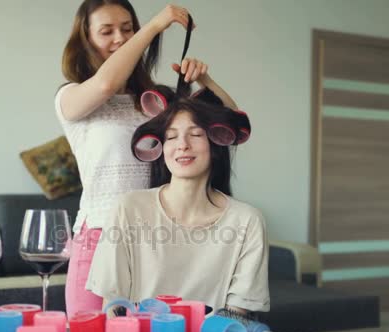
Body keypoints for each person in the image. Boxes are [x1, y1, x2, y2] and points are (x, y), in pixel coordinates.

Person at [56, 0, 239, 317]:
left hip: (157, 239)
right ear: (85, 39)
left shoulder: (159, 100)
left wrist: (205, 81)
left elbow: (233, 124)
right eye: (107, 31)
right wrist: (155, 26)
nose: (120, 38)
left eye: (128, 29)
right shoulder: (71, 96)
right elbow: (106, 83)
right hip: (100, 237)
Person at [85, 95, 270, 317]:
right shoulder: (130, 208)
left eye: (195, 134)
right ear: (162, 150)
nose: (182, 145)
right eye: (171, 137)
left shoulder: (247, 221)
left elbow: (235, 319)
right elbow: (113, 304)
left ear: (216, 145)